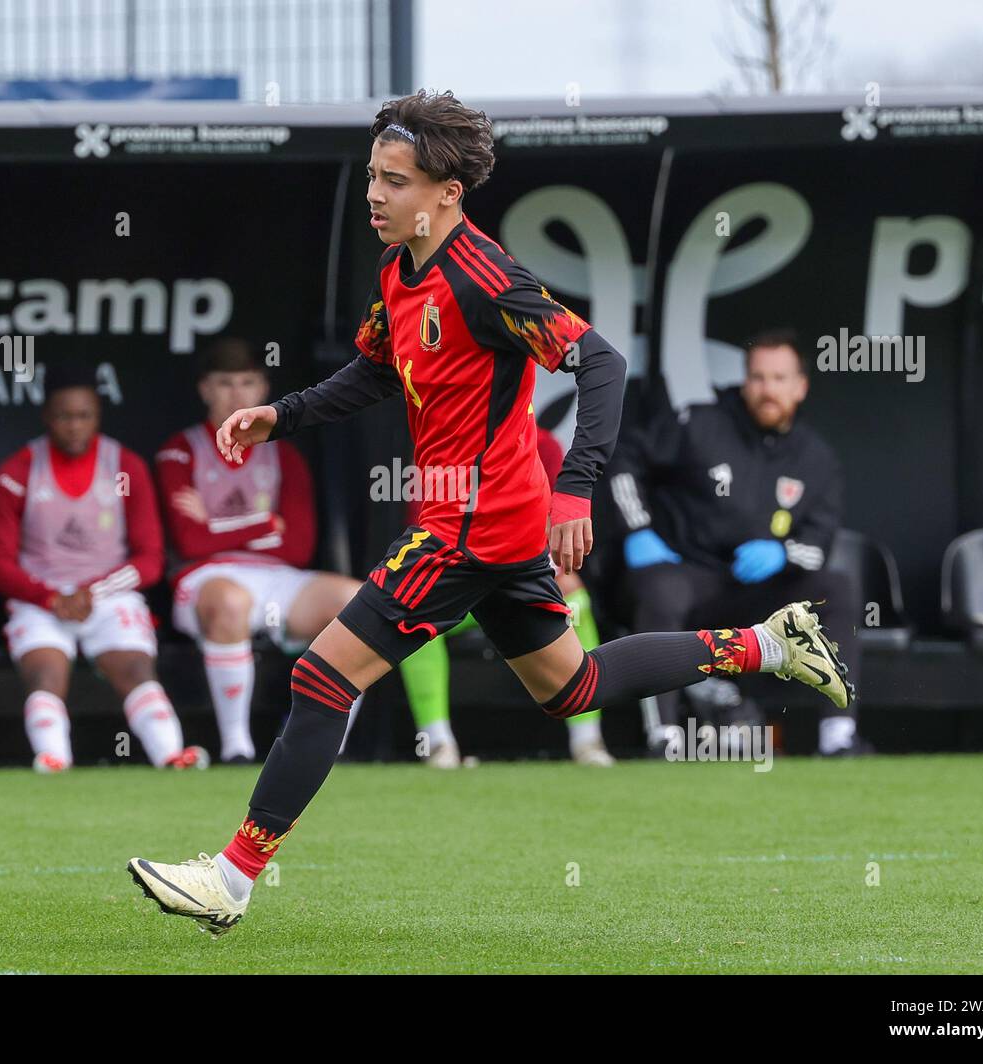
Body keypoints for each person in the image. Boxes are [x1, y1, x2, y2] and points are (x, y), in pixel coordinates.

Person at [128, 91, 852, 936]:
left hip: (471, 524)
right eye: (372, 177)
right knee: (573, 687)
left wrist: (575, 485)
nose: (375, 195)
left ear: (446, 193)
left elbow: (601, 362)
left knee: (320, 676)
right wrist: (279, 415)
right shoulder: (400, 269)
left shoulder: (485, 277)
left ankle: (233, 879)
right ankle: (766, 643)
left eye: (394, 182)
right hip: (483, 527)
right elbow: (372, 373)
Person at [601, 329, 867, 757]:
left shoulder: (816, 459)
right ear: (745, 381)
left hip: (756, 594)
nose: (767, 390)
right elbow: (624, 462)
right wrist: (638, 531)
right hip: (687, 576)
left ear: (800, 387)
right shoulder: (700, 423)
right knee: (659, 588)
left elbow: (817, 546)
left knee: (835, 587)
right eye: (758, 378)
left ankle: (839, 736)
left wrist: (781, 553)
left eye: (779, 379)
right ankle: (663, 737)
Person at [0, 362, 205, 772]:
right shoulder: (16, 472)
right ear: (47, 416)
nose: (74, 426)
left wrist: (92, 593)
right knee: (45, 674)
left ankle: (171, 754)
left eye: (84, 416)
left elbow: (150, 559)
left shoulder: (126, 467)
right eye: (65, 416)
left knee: (137, 669)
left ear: (97, 416)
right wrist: (50, 597)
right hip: (40, 598)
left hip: (107, 595)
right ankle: (53, 758)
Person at [155, 338, 364, 764]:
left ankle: (316, 745)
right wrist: (264, 524)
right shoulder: (180, 450)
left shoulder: (284, 457)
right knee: (231, 602)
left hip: (276, 578)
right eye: (225, 383)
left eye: (247, 382)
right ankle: (237, 749)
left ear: (263, 388)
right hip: (205, 579)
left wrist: (215, 525)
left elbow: (299, 546)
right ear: (205, 390)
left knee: (363, 605)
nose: (236, 394)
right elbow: (190, 543)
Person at [399, 425, 615, 767]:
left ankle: (587, 741)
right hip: (460, 587)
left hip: (522, 580)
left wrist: (556, 573)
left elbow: (553, 523)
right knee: (411, 615)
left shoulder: (542, 445)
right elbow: (428, 531)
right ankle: (437, 743)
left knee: (577, 602)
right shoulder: (440, 448)